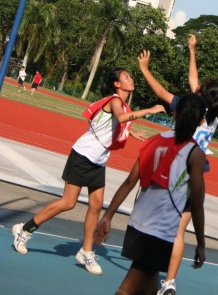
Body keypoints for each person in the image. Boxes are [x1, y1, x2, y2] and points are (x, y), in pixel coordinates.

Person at [12, 67, 165, 275]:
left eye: (131, 77)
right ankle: (24, 229)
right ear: (117, 84)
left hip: (98, 161)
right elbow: (119, 118)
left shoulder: (123, 105)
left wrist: (132, 134)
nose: (131, 79)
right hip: (83, 156)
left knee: (96, 204)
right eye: (127, 77)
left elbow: (112, 127)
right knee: (68, 202)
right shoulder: (115, 101)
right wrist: (149, 110)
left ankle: (86, 250)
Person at [94, 93, 207, 295]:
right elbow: (197, 204)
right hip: (159, 231)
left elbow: (130, 181)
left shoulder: (154, 141)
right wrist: (201, 244)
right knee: (127, 289)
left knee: (148, 286)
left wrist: (108, 215)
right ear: (201, 121)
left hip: (138, 222)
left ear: (175, 113)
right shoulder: (195, 153)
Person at [138, 34, 218, 295]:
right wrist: (192, 50)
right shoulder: (213, 118)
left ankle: (148, 268)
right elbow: (195, 81)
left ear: (200, 95)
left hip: (176, 172)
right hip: (197, 176)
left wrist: (144, 69)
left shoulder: (188, 108)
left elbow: (162, 93)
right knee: (179, 231)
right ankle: (170, 282)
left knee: (157, 223)